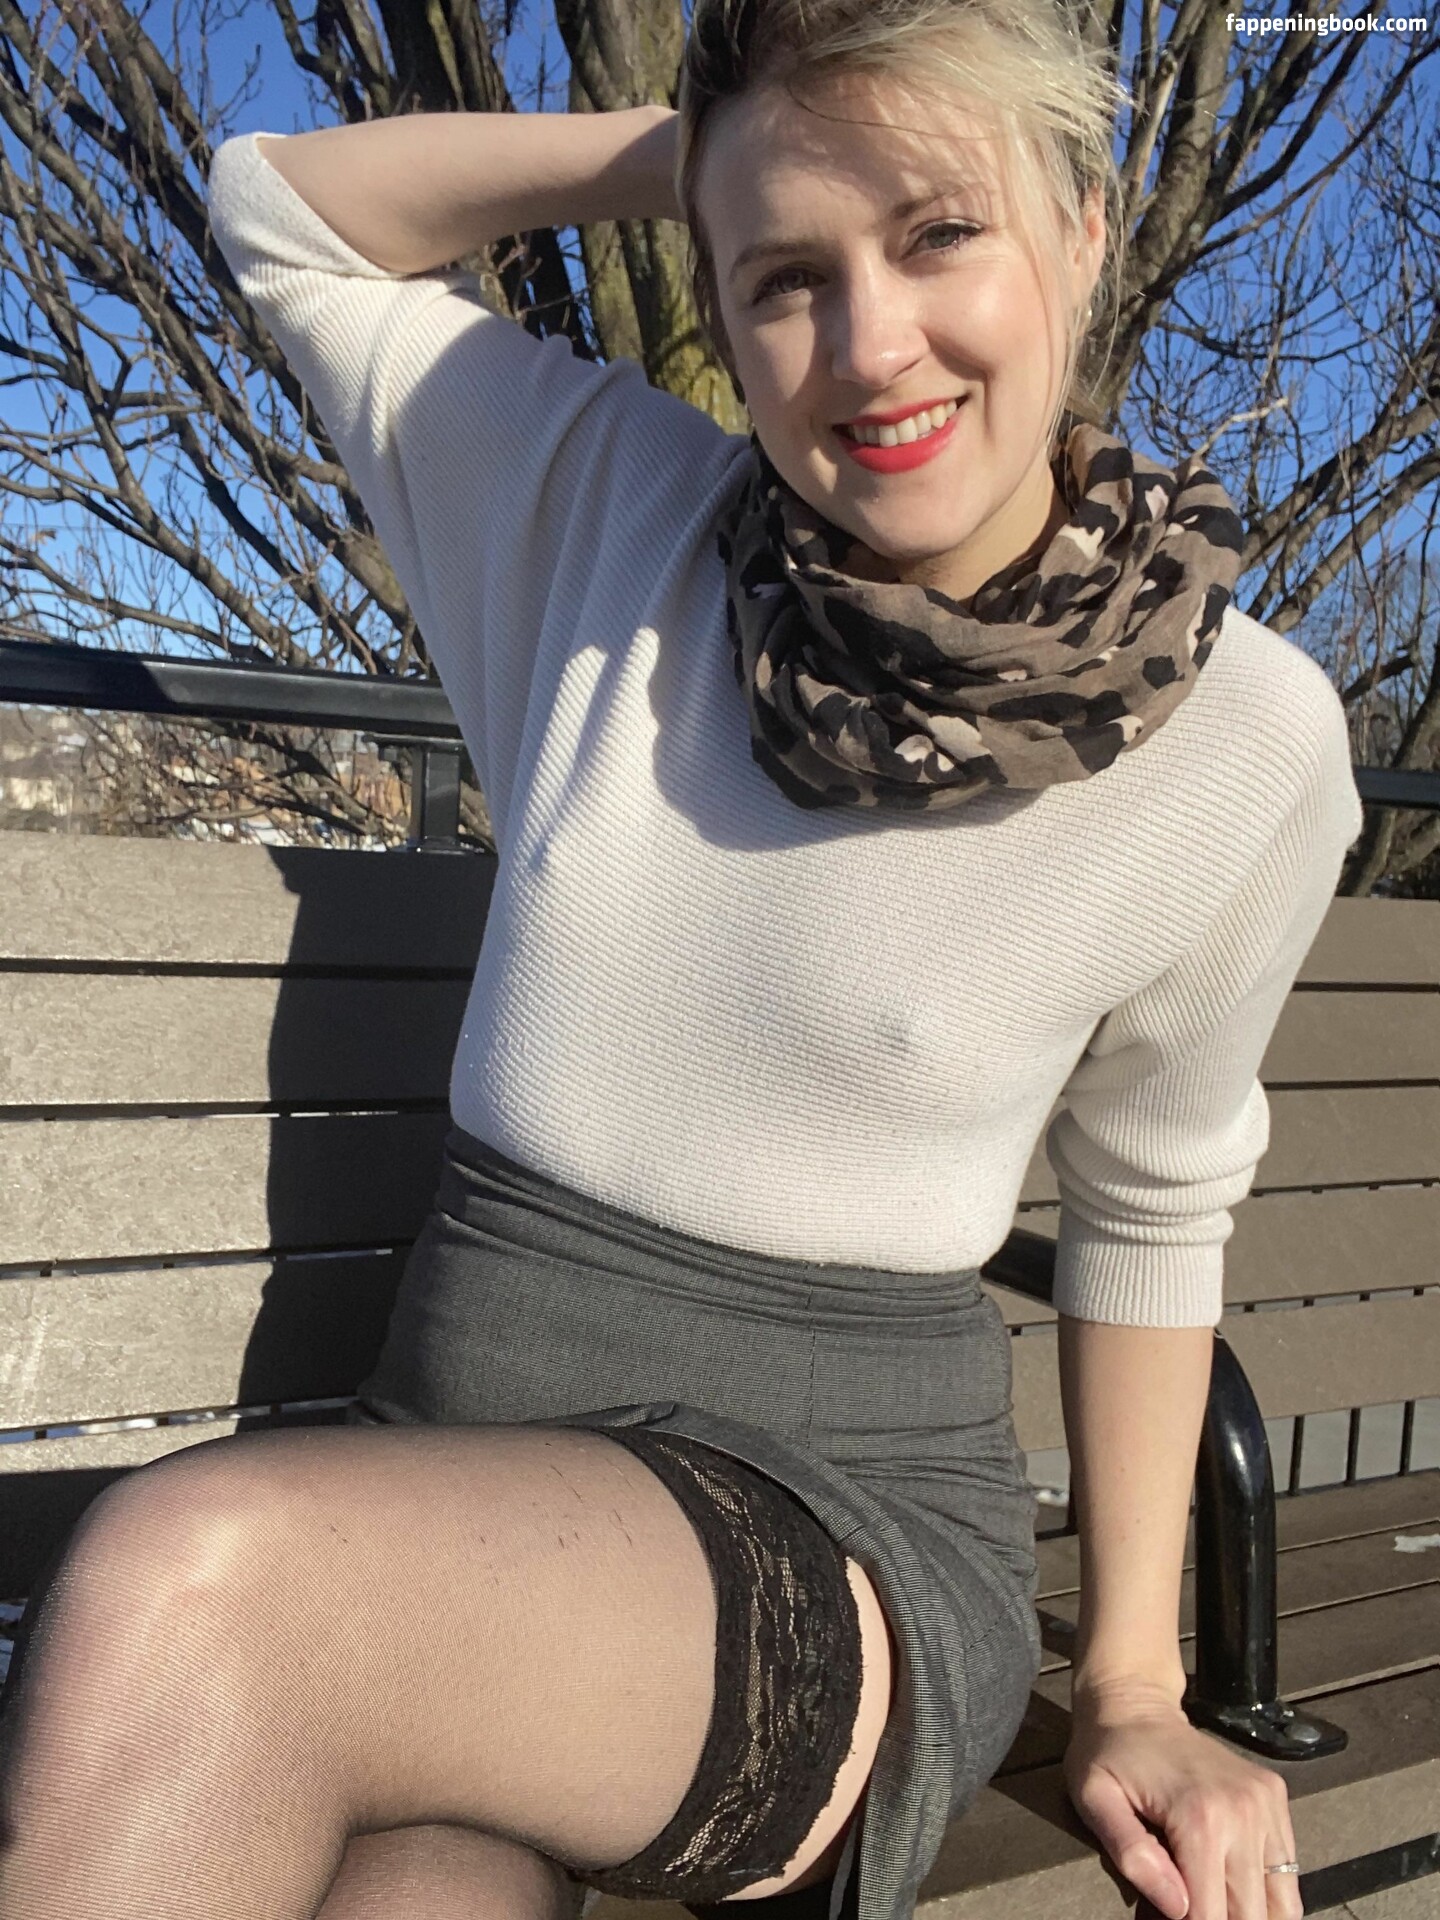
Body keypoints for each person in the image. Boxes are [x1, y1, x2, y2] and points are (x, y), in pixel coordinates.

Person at [0, 3, 1360, 1918]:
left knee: (191, 1582)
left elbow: (1153, 1205)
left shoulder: (1250, 742)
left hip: (830, 1528)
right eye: (786, 275)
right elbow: (282, 209)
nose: (869, 344)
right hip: (447, 1487)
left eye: (938, 231)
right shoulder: (605, 518)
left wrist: (1139, 1689)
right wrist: (708, 153)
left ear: (1082, 225)